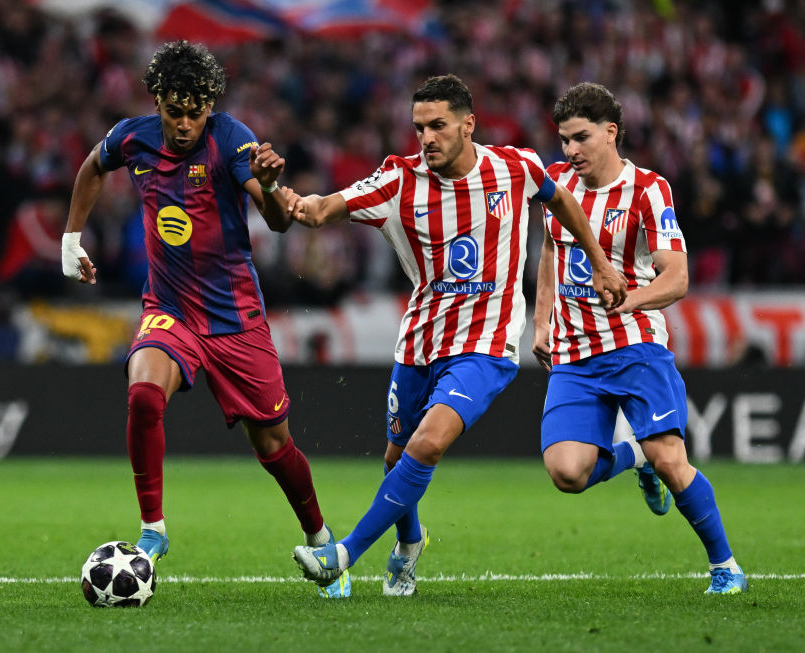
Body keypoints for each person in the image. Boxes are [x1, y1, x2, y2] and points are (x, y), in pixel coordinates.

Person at [286, 74, 627, 595]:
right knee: (396, 459)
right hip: (421, 341)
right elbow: (323, 208)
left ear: (468, 125)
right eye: (419, 127)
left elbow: (562, 202)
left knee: (427, 443)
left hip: (486, 345)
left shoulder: (516, 167)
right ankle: (410, 543)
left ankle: (344, 552)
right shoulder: (398, 179)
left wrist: (599, 262)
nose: (427, 138)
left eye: (438, 126)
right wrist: (292, 200)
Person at [61, 40, 350, 598]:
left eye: (195, 113)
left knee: (273, 447)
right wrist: (71, 239)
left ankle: (320, 538)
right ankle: (153, 529)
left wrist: (269, 185)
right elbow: (94, 165)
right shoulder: (133, 137)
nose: (185, 124)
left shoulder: (232, 139)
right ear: (157, 102)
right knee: (144, 393)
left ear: (210, 107)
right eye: (175, 111)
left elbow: (277, 222)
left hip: (235, 318)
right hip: (169, 309)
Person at [532, 82, 746, 595]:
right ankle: (633, 455)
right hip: (575, 352)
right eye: (564, 140)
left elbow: (678, 277)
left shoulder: (649, 190)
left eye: (581, 138)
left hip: (635, 344)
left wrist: (630, 300)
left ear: (611, 132)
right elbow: (550, 249)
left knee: (671, 460)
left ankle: (726, 567)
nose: (570, 150)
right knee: (566, 472)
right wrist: (540, 322)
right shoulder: (556, 184)